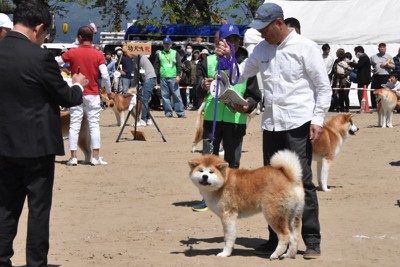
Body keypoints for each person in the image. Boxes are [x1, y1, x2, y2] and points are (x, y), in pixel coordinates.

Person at [216, 2, 332, 259]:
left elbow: (323, 88)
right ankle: (276, 238)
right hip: (272, 124)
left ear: (279, 23)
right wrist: (228, 58)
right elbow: (240, 76)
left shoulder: (306, 47)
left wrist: (317, 120)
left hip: (299, 122)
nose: (261, 34)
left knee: (302, 181)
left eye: (265, 29)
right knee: (270, 183)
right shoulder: (261, 48)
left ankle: (311, 239)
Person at [0, 1, 86, 266]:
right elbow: (66, 97)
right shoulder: (40, 57)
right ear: (38, 28)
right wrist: (78, 86)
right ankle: (36, 262)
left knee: (5, 207)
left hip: (3, 142)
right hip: (37, 145)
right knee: (38, 209)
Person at [192, 25, 261, 211]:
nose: (232, 43)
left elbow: (255, 95)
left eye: (236, 39)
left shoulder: (247, 64)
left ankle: (230, 198)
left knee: (233, 162)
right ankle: (207, 198)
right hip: (212, 121)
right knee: (208, 161)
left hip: (236, 120)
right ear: (219, 41)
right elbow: (195, 92)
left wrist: (247, 105)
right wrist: (202, 86)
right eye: (228, 39)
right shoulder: (208, 62)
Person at [57, 25, 112, 166]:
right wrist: (109, 91)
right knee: (94, 125)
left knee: (74, 125)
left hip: (77, 93)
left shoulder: (73, 52)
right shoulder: (98, 54)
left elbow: (58, 60)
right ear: (92, 37)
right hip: (93, 93)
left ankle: (73, 157)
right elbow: (105, 75)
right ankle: (95, 156)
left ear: (79, 37)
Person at [154, 37, 185, 118]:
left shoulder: (175, 53)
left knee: (176, 95)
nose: (166, 45)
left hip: (173, 77)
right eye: (165, 44)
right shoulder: (159, 54)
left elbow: (179, 65)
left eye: (168, 44)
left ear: (171, 44)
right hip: (163, 77)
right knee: (165, 96)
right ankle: (168, 113)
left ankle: (180, 112)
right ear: (163, 45)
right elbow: (156, 66)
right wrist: (156, 78)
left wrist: (178, 75)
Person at [370, 43, 395, 110]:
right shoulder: (373, 57)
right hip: (376, 76)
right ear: (378, 48)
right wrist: (372, 70)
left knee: (384, 92)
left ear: (385, 48)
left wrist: (387, 65)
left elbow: (393, 66)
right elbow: (369, 65)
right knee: (374, 91)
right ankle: (374, 106)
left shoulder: (389, 57)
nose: (382, 48)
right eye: (380, 47)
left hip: (385, 76)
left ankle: (384, 106)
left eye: (383, 47)